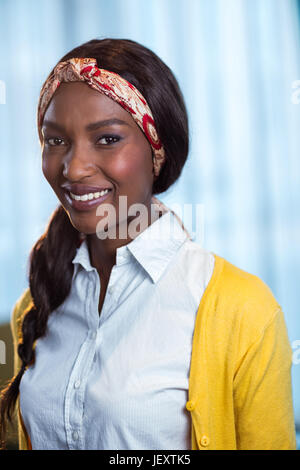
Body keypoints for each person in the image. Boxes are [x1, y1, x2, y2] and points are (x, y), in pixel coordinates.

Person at [0, 38, 297, 450]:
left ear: (157, 152)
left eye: (107, 139)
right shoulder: (35, 305)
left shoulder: (243, 311)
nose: (73, 167)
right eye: (55, 140)